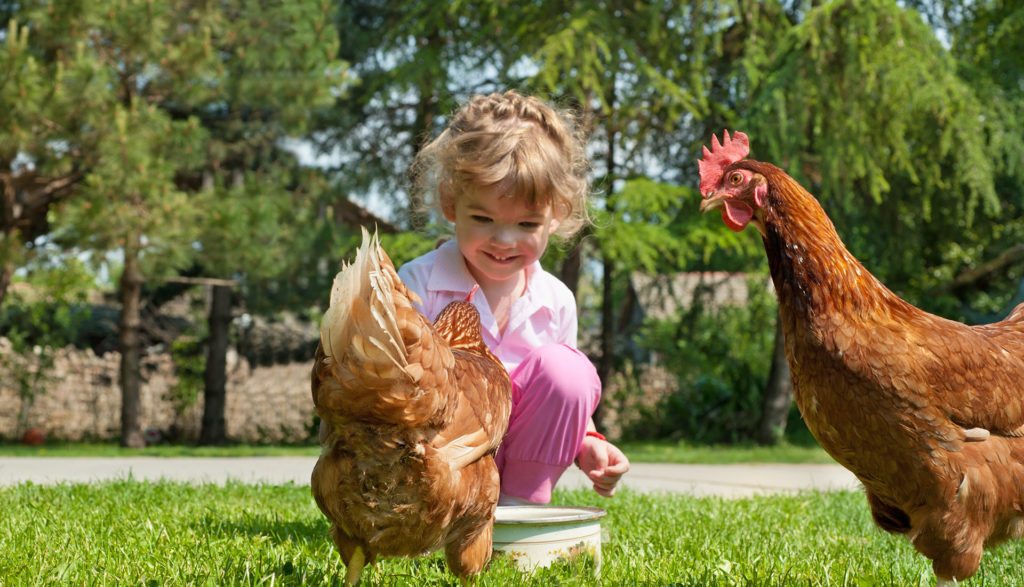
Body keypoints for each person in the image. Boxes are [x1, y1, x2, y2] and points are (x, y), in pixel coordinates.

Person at [398, 90, 630, 505]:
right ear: (452, 204)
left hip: (518, 474)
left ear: (556, 214)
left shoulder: (555, 300)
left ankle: (519, 510)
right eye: (483, 218)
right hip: (439, 473)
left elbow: (565, 398)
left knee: (567, 369)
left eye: (526, 223)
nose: (504, 240)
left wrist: (588, 440)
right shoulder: (417, 283)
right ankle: (447, 516)